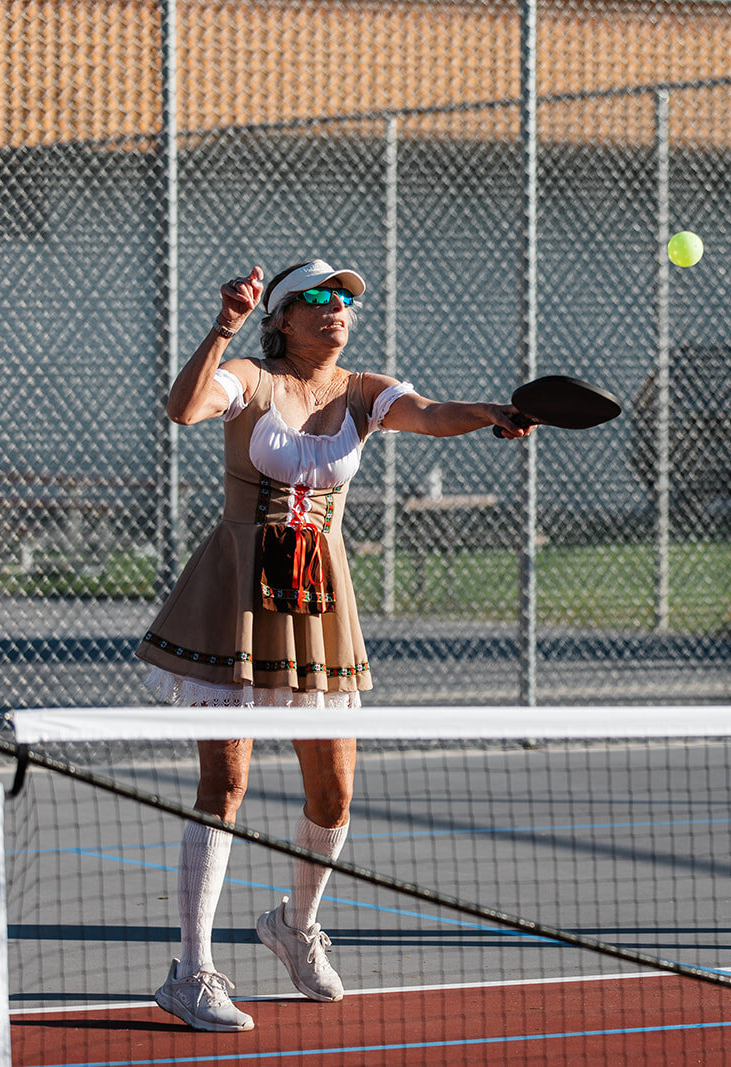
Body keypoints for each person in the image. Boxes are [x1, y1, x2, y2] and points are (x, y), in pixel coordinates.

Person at [138, 259, 533, 1031]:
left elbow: (430, 411)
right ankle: (191, 969)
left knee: (335, 791)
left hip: (319, 598)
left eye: (346, 298)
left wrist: (495, 411)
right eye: (318, 298)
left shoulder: (363, 391)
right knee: (226, 783)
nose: (337, 309)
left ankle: (294, 924)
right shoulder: (248, 377)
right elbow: (183, 408)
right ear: (282, 316)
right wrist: (222, 328)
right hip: (238, 596)